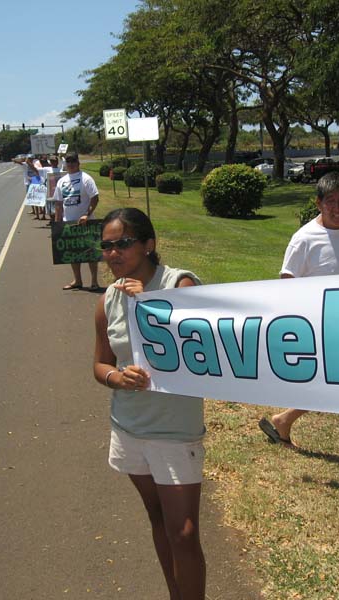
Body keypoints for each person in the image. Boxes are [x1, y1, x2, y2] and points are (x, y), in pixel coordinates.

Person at [93, 208, 207, 600]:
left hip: (175, 430)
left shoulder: (179, 282)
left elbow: (205, 342)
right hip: (129, 426)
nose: (112, 254)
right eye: (106, 246)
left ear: (149, 245)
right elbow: (99, 363)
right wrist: (115, 377)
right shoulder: (108, 298)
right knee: (158, 517)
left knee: (185, 531)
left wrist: (156, 303)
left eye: (122, 244)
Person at [258, 171, 339, 501]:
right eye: (330, 201)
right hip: (322, 328)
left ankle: (283, 420)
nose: (337, 207)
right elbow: (287, 284)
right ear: (318, 203)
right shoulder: (303, 239)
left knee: (335, 390)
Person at [53, 152, 101, 291]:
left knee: (90, 253)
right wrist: (57, 224)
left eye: (73, 161)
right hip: (69, 222)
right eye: (68, 162)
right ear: (65, 164)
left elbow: (95, 198)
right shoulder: (61, 181)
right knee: (73, 254)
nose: (71, 164)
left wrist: (87, 214)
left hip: (86, 223)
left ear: (78, 163)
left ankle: (94, 281)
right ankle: (77, 280)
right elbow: (58, 204)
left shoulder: (86, 179)